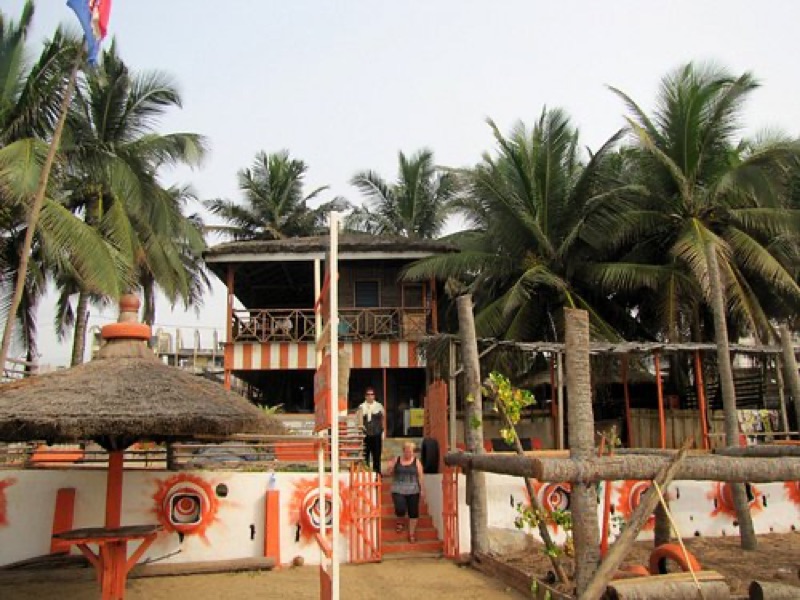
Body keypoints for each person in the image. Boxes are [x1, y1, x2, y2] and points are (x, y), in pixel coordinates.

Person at [387, 441, 425, 543]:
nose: (409, 453)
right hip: (398, 488)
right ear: (403, 451)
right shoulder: (397, 460)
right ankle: (400, 521)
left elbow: (420, 476)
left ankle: (411, 533)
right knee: (400, 508)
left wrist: (422, 489)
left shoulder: (417, 462)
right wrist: (390, 467)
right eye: (407, 451)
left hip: (413, 489)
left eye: (411, 451)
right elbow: (389, 472)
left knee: (413, 512)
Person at [355, 386, 384, 473]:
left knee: (376, 456)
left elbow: (383, 418)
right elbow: (358, 420)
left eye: (372, 394)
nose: (370, 396)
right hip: (365, 435)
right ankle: (366, 474)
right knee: (365, 456)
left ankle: (377, 474)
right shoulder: (361, 407)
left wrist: (383, 431)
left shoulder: (379, 406)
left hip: (377, 434)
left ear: (374, 396)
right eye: (368, 394)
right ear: (365, 396)